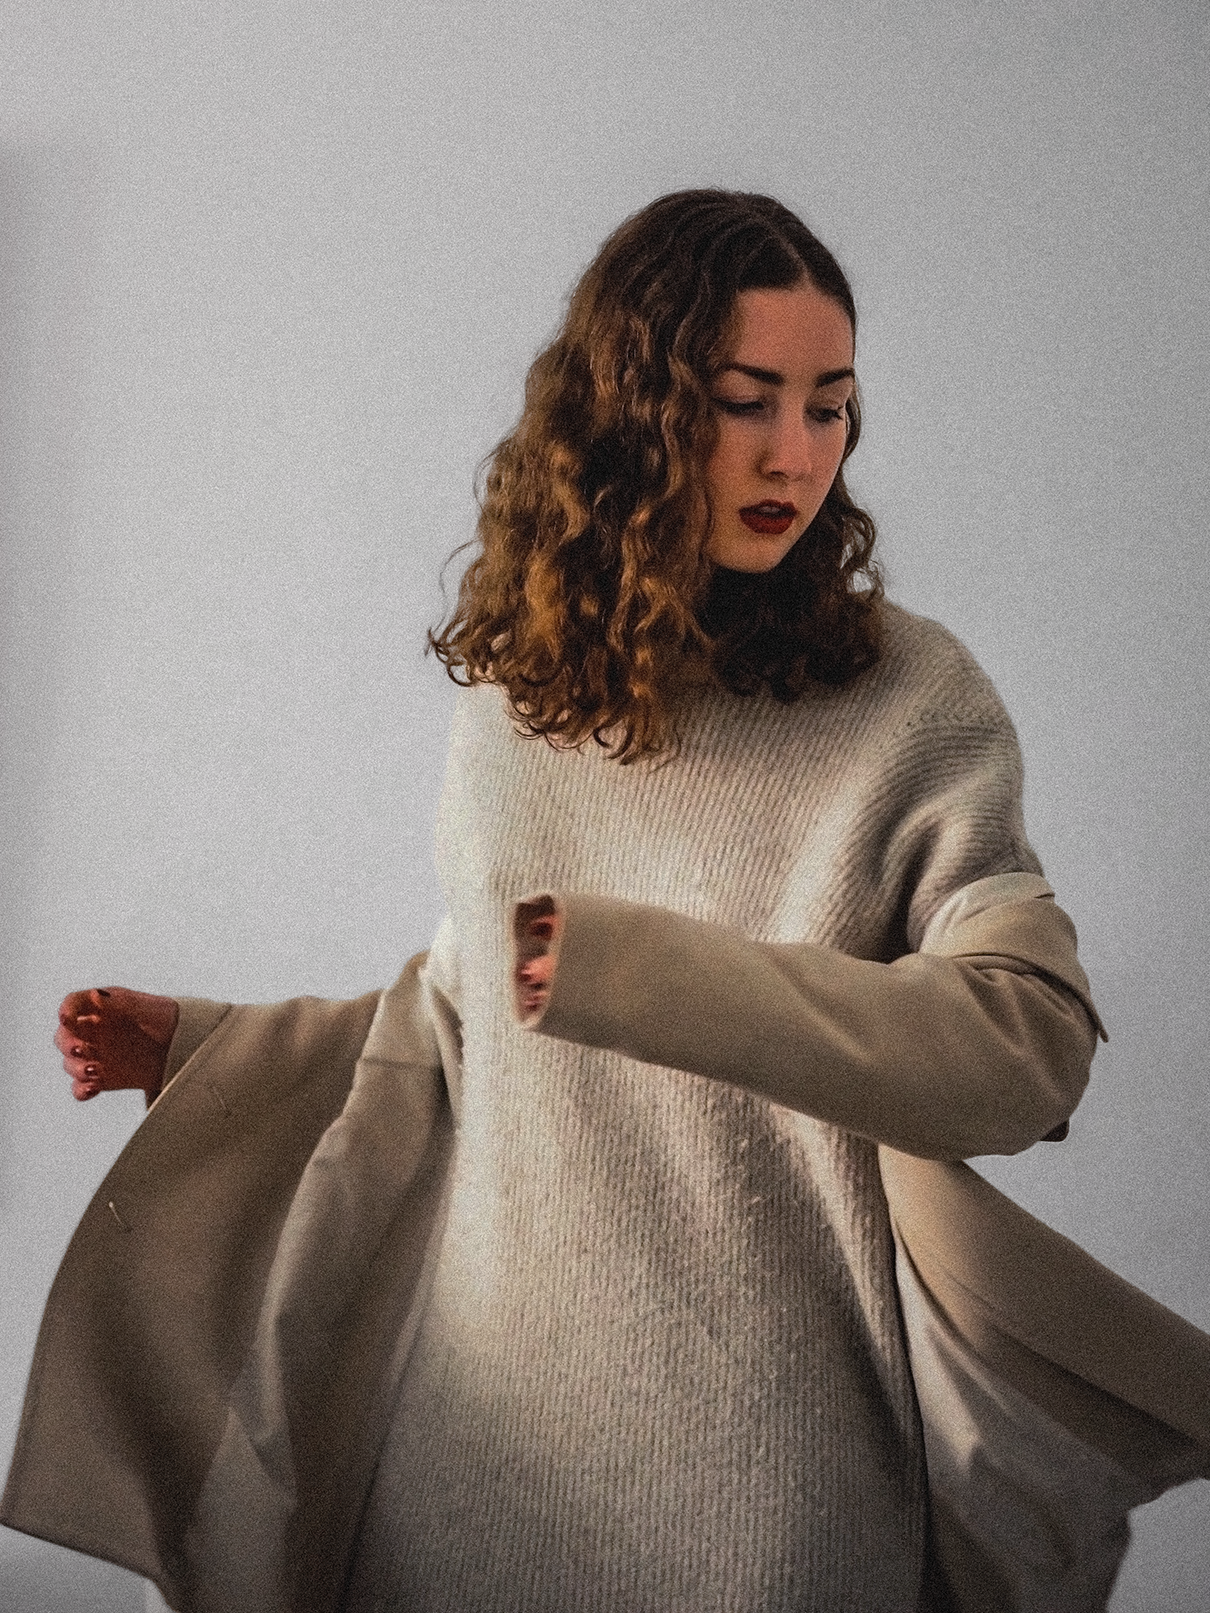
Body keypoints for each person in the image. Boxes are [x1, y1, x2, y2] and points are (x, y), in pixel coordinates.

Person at [17, 192, 1209, 1613]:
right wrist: (214, 1049)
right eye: (744, 401)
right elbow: (465, 1017)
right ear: (632, 411)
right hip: (466, 1447)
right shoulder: (514, 703)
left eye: (830, 407)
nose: (794, 453)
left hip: (775, 1471)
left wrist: (643, 974)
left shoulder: (911, 701)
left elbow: (1027, 1048)